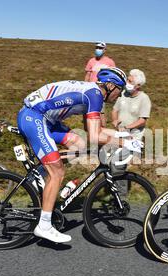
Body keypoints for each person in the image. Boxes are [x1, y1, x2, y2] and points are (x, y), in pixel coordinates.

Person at [17, 68, 143, 244]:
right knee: (58, 172)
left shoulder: (93, 92)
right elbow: (95, 136)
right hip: (34, 117)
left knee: (80, 145)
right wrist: (126, 144)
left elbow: (92, 131)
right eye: (119, 90)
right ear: (110, 86)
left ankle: (41, 169)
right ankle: (44, 226)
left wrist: (122, 136)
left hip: (46, 120)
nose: (119, 95)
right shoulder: (95, 95)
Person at [110, 69, 151, 141]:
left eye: (130, 81)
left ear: (138, 85)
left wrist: (126, 127)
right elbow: (115, 110)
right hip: (120, 133)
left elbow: (142, 121)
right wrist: (115, 121)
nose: (126, 83)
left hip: (135, 136)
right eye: (127, 80)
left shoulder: (144, 98)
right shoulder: (123, 93)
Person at [85, 42, 116, 126]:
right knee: (87, 111)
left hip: (102, 91)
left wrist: (109, 91)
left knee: (100, 112)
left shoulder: (110, 62)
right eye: (97, 47)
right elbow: (88, 75)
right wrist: (84, 87)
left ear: (105, 50)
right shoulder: (91, 61)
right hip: (91, 89)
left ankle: (103, 130)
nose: (98, 49)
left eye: (100, 48)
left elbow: (113, 77)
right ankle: (88, 131)